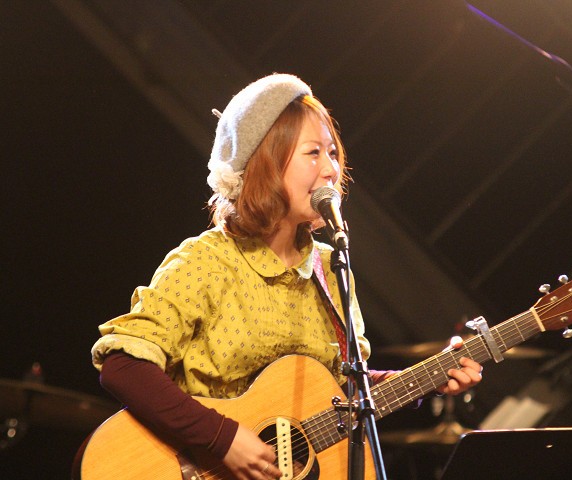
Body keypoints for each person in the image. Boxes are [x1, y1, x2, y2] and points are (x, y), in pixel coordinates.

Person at [91, 73, 482, 480]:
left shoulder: (330, 266)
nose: (331, 169)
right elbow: (123, 365)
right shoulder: (206, 261)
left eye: (333, 152)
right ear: (267, 163)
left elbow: (342, 389)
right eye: (313, 153)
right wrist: (222, 439)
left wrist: (427, 378)